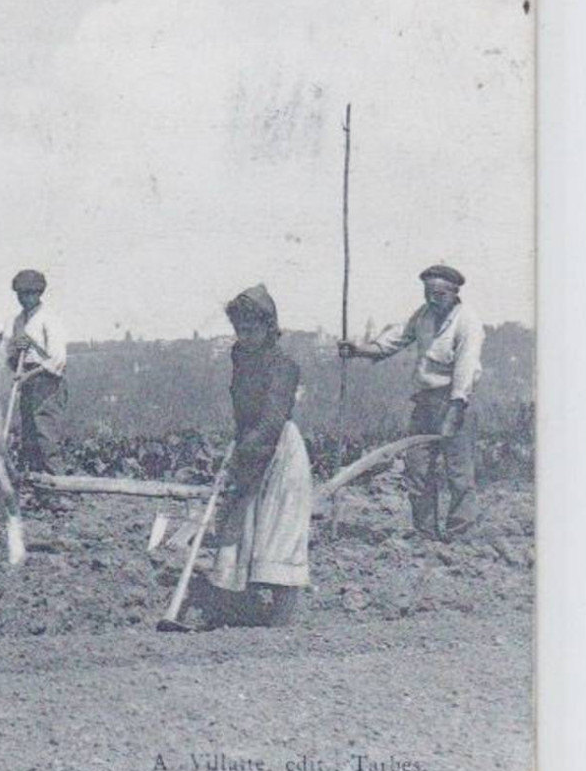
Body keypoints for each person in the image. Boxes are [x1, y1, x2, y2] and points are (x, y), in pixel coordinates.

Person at [195, 284, 313, 628]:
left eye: (251, 329)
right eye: (239, 329)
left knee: (278, 528)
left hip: (279, 451)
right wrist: (238, 444)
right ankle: (233, 607)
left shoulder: (284, 365)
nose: (244, 336)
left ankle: (281, 614)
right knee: (239, 524)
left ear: (268, 327)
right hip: (249, 441)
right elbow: (241, 408)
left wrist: (244, 451)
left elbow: (273, 418)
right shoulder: (239, 357)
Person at [339, 263, 485, 538]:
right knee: (417, 469)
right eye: (428, 293)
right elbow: (395, 340)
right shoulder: (424, 316)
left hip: (456, 401)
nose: (432, 299)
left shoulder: (468, 322)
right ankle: (425, 533)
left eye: (439, 294)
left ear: (454, 293)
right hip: (425, 402)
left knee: (458, 473)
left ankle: (460, 535)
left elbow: (465, 368)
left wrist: (454, 410)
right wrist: (359, 350)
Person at [5, 269, 69, 490]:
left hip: (47, 381)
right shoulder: (18, 322)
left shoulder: (49, 319)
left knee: (46, 435)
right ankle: (35, 488)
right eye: (21, 294)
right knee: (29, 435)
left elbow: (58, 360)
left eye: (29, 293)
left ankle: (58, 490)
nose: (24, 298)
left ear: (39, 293)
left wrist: (28, 376)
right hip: (27, 379)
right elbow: (12, 359)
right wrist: (15, 351)